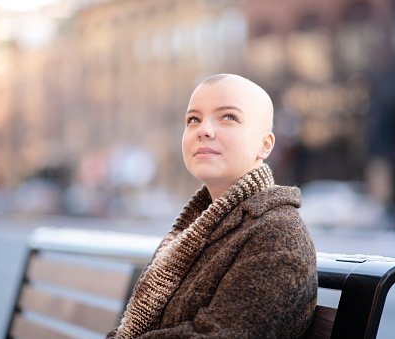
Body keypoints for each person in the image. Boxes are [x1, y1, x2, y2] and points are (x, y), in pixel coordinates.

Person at [108, 74, 317, 338]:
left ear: (265, 145)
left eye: (228, 117)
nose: (203, 129)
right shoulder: (193, 231)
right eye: (193, 119)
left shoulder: (277, 236)